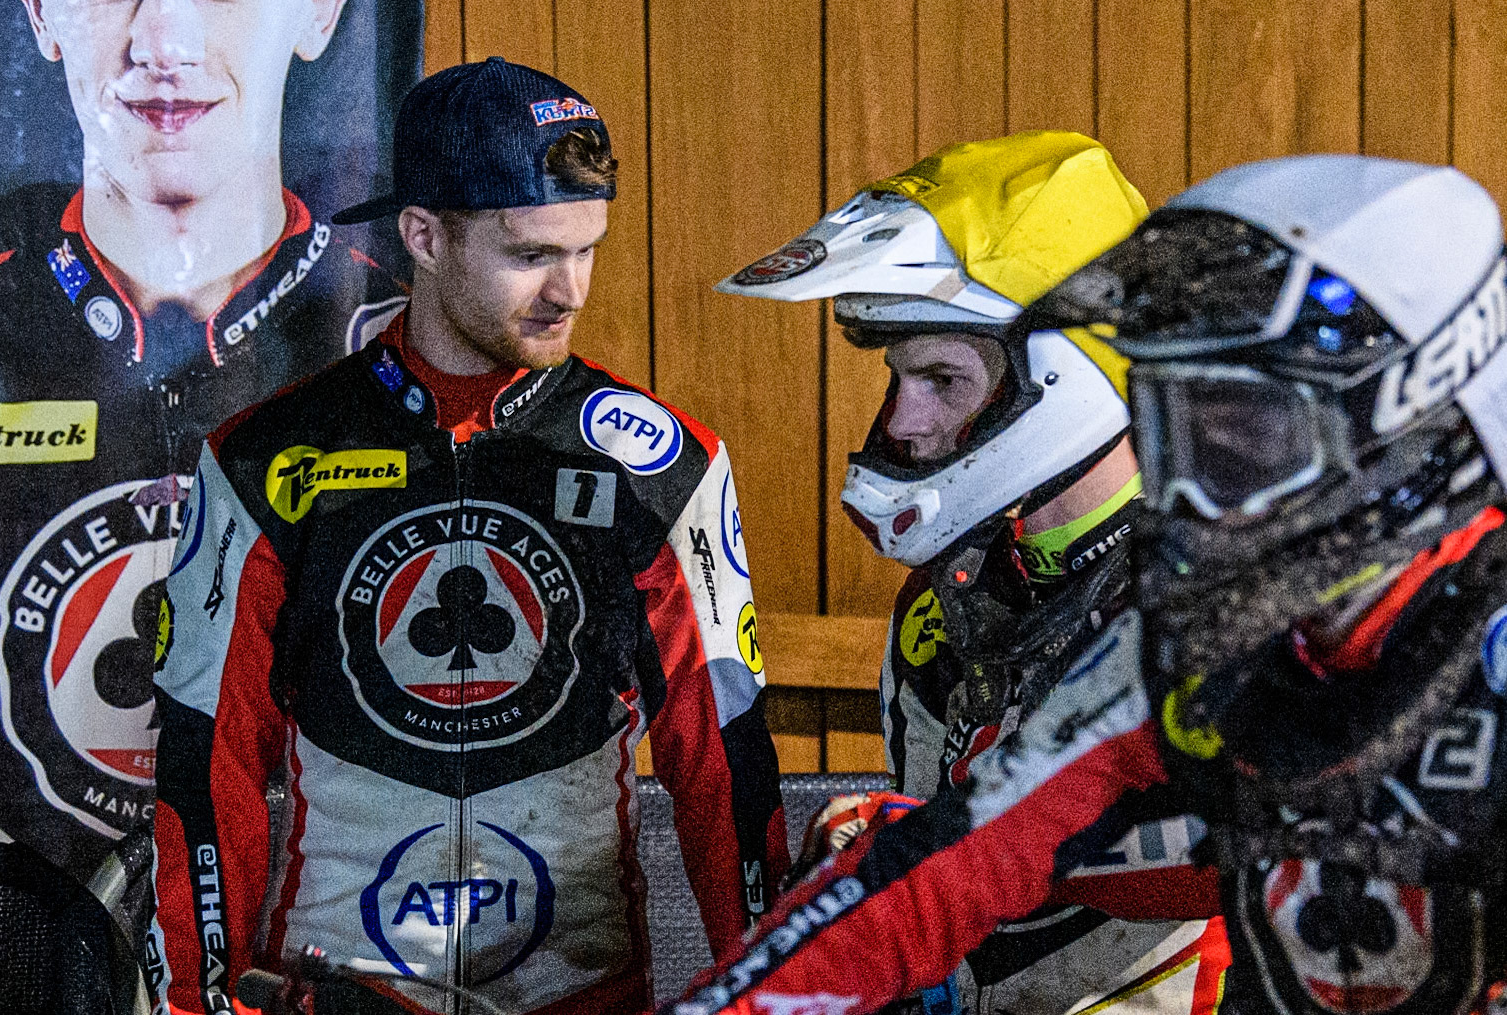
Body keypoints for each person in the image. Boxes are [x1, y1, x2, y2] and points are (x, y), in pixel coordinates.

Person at [661, 154, 1507, 1015]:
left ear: (1417, 419)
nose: (1189, 487)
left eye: (1244, 433)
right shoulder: (1187, 639)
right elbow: (934, 872)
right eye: (1172, 426)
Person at [149, 57, 790, 1015]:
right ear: (423, 236)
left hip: (576, 992)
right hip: (342, 989)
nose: (569, 288)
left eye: (587, 248)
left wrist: (786, 996)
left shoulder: (662, 464)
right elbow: (207, 764)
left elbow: (724, 766)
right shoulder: (265, 461)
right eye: (532, 253)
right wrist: (196, 1004)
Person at [716, 132, 1226, 1015]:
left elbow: (1272, 845)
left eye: (942, 380)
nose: (903, 422)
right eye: (898, 377)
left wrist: (940, 841)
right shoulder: (945, 605)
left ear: (1060, 378)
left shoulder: (1222, 589)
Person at [0, 0, 398, 894]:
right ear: (39, 15)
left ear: (322, 12)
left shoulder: (411, 335)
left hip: (310, 920)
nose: (163, 41)